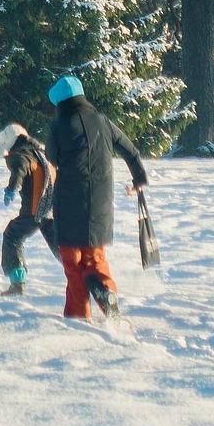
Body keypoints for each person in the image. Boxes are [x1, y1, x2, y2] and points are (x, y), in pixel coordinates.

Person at [44, 73, 147, 320]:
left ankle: (78, 317)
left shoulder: (59, 126)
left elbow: (52, 158)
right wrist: (139, 179)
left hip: (70, 201)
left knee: (73, 261)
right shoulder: (103, 121)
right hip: (100, 201)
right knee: (94, 256)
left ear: (59, 103)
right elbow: (130, 151)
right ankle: (106, 291)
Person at [0, 121, 59, 295]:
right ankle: (83, 274)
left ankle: (17, 284)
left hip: (35, 210)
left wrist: (11, 189)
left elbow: (20, 170)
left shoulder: (21, 155)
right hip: (52, 210)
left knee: (12, 235)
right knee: (62, 249)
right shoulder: (43, 154)